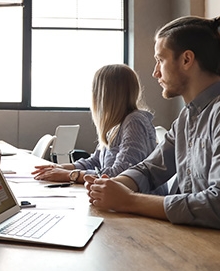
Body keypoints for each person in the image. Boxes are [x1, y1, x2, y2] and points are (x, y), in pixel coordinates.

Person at [85, 14, 220, 252]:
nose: (155, 73)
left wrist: (129, 200)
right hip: (199, 243)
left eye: (160, 60)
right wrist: (113, 185)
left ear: (187, 59)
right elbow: (150, 169)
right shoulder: (188, 117)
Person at [31, 64, 161, 194]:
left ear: (103, 94)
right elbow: (95, 161)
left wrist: (71, 175)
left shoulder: (134, 121)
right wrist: (59, 168)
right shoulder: (116, 124)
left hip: (136, 206)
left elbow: (119, 175)